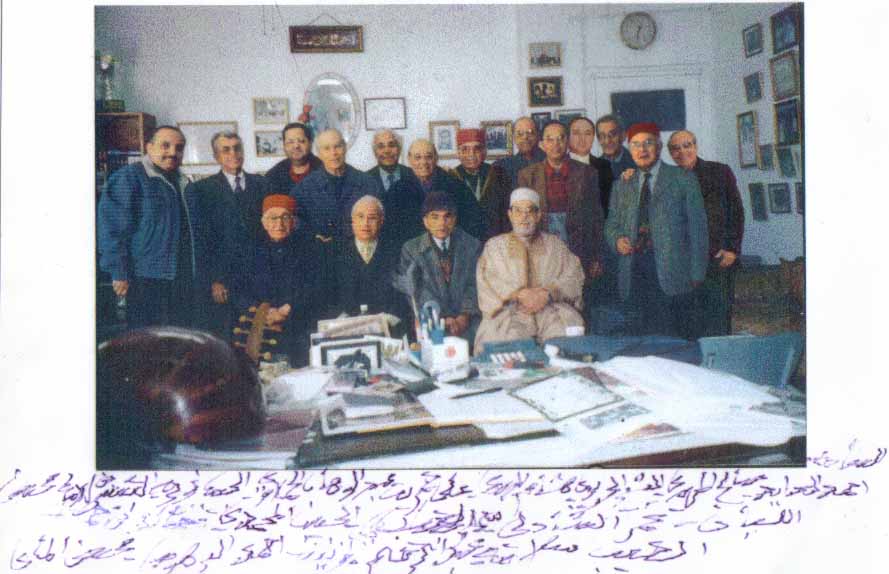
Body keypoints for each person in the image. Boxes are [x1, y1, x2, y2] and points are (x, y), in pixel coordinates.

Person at [605, 122, 708, 339]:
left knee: (674, 342)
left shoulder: (683, 178)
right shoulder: (621, 184)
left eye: (648, 143)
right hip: (633, 274)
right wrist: (616, 240)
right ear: (629, 149)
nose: (642, 149)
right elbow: (611, 224)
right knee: (638, 343)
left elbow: (698, 229)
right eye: (635, 145)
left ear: (659, 147)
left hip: (674, 276)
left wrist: (697, 274)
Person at [98, 125, 198, 329]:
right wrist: (118, 272)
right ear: (149, 147)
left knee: (180, 339)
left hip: (182, 278)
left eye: (179, 147)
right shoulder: (129, 178)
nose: (173, 152)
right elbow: (111, 229)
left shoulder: (184, 182)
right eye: (165, 146)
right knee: (147, 341)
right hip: (145, 279)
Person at [474, 188, 585, 353]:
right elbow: (486, 280)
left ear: (538, 215)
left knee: (568, 344)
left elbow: (575, 275)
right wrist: (517, 294)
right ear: (510, 214)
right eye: (518, 211)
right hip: (511, 313)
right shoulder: (495, 246)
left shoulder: (555, 244)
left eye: (530, 211)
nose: (524, 217)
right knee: (505, 348)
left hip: (551, 310)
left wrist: (548, 293)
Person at [187, 131, 270, 337]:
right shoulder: (200, 190)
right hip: (224, 279)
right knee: (227, 337)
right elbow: (200, 241)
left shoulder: (262, 184)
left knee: (259, 337)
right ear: (216, 156)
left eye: (237, 148)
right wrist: (214, 280)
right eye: (226, 150)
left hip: (259, 276)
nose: (233, 153)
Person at [668, 129, 745, 336]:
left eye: (687, 145)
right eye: (675, 148)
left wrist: (732, 249)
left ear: (695, 146)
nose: (682, 152)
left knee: (717, 323)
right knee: (687, 326)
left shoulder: (719, 172)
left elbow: (736, 212)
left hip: (718, 260)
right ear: (671, 153)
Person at [232, 194, 324, 366]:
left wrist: (287, 309)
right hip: (259, 329)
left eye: (285, 217)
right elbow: (238, 289)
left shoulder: (309, 249)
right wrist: (264, 312)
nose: (279, 224)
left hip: (298, 328)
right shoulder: (249, 251)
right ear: (264, 222)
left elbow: (315, 287)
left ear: (293, 222)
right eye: (273, 218)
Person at [517, 120, 605, 283]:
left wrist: (597, 256)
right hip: (541, 249)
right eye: (550, 139)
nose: (555, 144)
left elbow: (596, 218)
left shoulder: (587, 173)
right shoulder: (527, 175)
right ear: (542, 144)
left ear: (567, 142)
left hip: (579, 249)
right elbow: (523, 219)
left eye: (560, 138)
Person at [394, 192, 482, 344]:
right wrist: (440, 318)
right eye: (435, 217)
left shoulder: (472, 245)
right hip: (430, 318)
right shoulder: (411, 249)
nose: (442, 223)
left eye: (447, 216)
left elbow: (474, 284)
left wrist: (464, 316)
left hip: (468, 320)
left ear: (454, 219)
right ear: (425, 221)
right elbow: (417, 290)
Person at [330, 196, 408, 331]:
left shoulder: (396, 252)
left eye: (372, 218)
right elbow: (328, 294)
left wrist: (388, 320)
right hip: (345, 328)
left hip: (388, 327)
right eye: (360, 217)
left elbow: (402, 296)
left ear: (381, 221)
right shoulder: (334, 252)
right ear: (352, 221)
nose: (365, 223)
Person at [290, 129, 381, 242]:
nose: (333, 153)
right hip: (322, 250)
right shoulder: (303, 189)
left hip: (359, 250)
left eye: (337, 146)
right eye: (326, 148)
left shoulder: (368, 183)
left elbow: (379, 221)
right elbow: (296, 224)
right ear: (319, 153)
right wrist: (313, 238)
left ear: (345, 147)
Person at [406, 138, 486, 239]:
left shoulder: (456, 186)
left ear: (436, 158)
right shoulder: (398, 189)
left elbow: (473, 223)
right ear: (409, 159)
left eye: (429, 157)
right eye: (417, 157)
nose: (424, 162)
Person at [484, 116, 546, 237]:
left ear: (538, 135)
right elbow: (497, 211)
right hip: (514, 232)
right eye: (520, 134)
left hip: (546, 230)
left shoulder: (549, 161)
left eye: (530, 132)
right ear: (513, 137)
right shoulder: (501, 167)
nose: (525, 137)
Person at [366, 129, 425, 246]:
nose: (387, 151)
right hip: (377, 247)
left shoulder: (415, 176)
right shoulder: (364, 180)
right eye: (381, 146)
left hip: (410, 246)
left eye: (391, 145)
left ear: (399, 149)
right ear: (375, 152)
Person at [568, 116, 616, 217]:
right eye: (576, 133)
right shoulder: (560, 164)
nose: (582, 139)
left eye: (588, 133)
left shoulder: (604, 166)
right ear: (568, 136)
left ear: (593, 137)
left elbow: (609, 205)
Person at [264, 122, 322, 195]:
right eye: (290, 142)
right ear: (284, 146)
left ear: (310, 143)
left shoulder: (325, 170)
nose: (296, 146)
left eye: (301, 141)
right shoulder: (273, 175)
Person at [448, 128, 496, 202]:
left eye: (477, 149)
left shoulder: (497, 174)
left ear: (484, 152)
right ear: (458, 153)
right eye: (465, 149)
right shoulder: (450, 177)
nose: (471, 154)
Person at [595, 114, 636, 181]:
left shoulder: (637, 163)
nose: (607, 141)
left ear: (623, 136)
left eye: (612, 134)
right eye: (602, 136)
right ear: (599, 140)